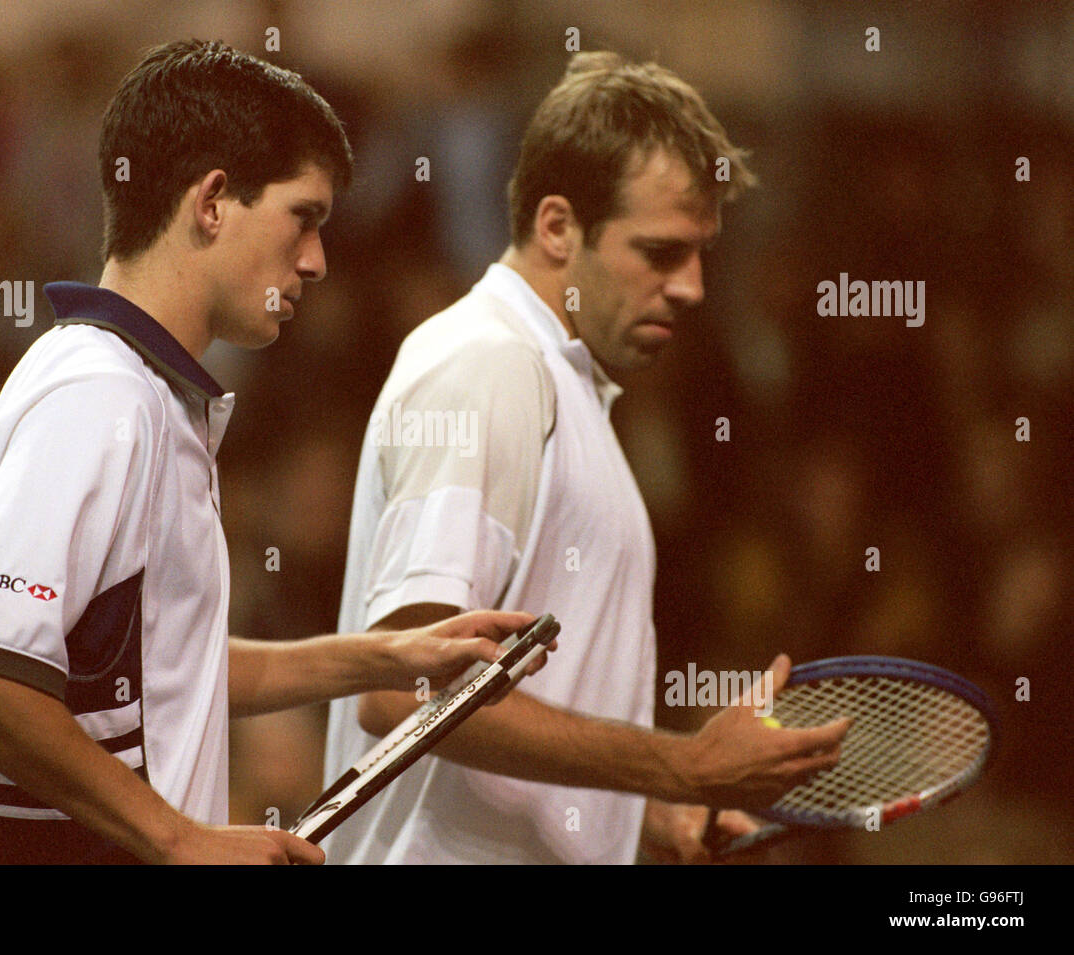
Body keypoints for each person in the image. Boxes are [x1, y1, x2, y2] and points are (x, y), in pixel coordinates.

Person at [0, 39, 538, 866]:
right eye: (302, 218)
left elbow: (174, 669)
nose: (315, 261)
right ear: (211, 202)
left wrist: (382, 656)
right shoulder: (100, 391)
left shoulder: (149, 397)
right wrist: (180, 837)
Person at [324, 52, 851, 865]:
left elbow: (525, 716)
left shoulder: (563, 389)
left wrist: (644, 816)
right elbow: (403, 688)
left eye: (703, 252)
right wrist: (681, 766)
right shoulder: (488, 366)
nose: (694, 287)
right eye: (662, 252)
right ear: (558, 226)